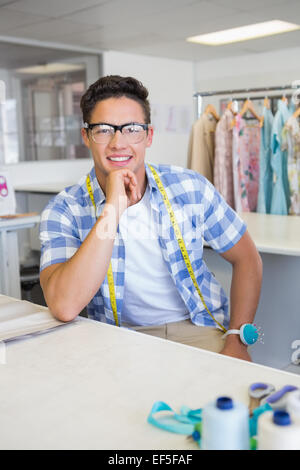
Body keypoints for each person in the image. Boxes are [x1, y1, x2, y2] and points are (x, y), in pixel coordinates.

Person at [39, 75, 262, 362]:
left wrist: (237, 339)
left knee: (232, 405)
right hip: (118, 336)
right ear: (86, 137)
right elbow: (64, 305)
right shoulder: (64, 209)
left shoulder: (189, 187)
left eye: (132, 129)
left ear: (149, 135)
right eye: (104, 130)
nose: (118, 143)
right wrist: (113, 208)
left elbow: (248, 258)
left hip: (199, 329)